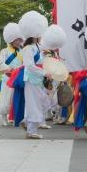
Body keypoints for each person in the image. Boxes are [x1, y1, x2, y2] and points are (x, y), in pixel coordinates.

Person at [17, 10, 49, 139]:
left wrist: (45, 54)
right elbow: (29, 66)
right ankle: (31, 130)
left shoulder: (36, 46)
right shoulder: (28, 48)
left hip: (38, 79)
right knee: (34, 104)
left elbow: (39, 58)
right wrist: (44, 72)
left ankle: (26, 121)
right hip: (32, 79)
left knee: (42, 103)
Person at [0, 23, 23, 126]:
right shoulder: (5, 51)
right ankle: (4, 116)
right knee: (6, 98)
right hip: (7, 78)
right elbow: (0, 62)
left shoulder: (22, 51)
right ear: (12, 39)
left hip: (18, 78)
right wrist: (8, 69)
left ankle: (15, 116)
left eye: (20, 39)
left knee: (15, 98)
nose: (20, 41)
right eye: (18, 40)